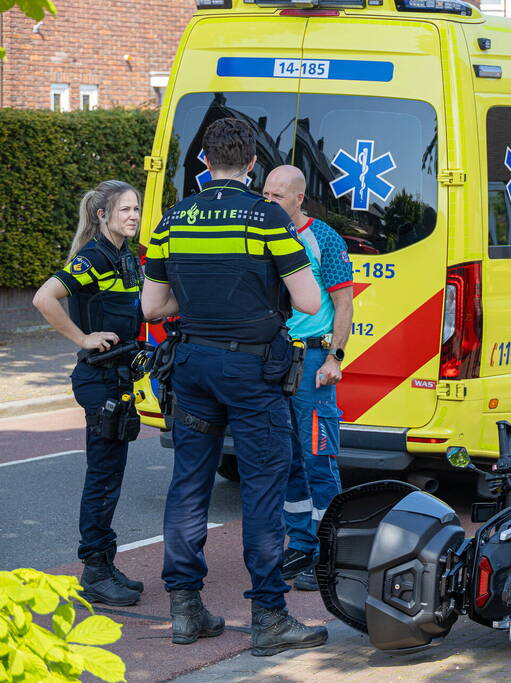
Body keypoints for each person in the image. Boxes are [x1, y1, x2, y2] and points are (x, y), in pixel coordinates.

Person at [141, 118, 327, 655]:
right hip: (252, 373)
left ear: (204, 161)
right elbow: (311, 301)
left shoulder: (172, 220)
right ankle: (269, 616)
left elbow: (153, 307)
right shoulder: (268, 218)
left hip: (192, 366)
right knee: (264, 489)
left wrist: (201, 306)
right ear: (252, 164)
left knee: (189, 486)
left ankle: (185, 609)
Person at [32, 180, 146, 607]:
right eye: (124, 210)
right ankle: (95, 571)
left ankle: (105, 562)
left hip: (119, 378)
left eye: (135, 208)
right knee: (102, 478)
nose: (133, 216)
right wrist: (81, 338)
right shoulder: (94, 257)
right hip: (98, 381)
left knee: (110, 475)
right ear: (102, 215)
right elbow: (45, 298)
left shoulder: (126, 257)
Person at [262, 165, 353, 591]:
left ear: (299, 199)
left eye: (277, 196)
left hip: (314, 361)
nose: (269, 202)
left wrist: (335, 356)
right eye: (265, 193)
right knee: (288, 460)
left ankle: (328, 551)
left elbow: (344, 303)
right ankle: (300, 545)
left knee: (319, 457)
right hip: (277, 360)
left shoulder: (325, 239)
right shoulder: (262, 234)